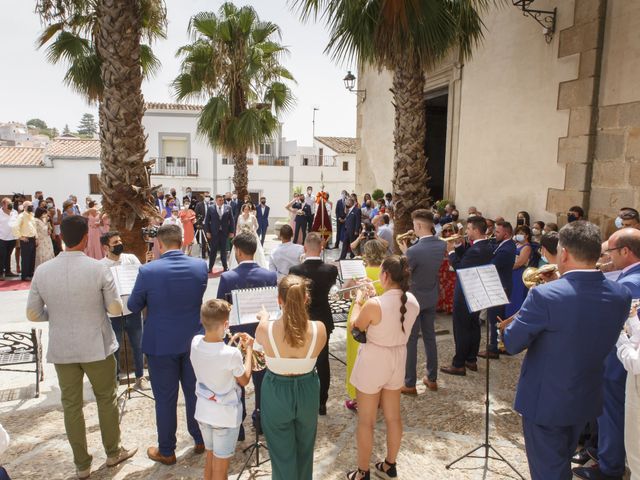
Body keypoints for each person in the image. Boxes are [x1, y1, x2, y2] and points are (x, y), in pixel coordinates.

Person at [503, 221, 632, 480]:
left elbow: (512, 342)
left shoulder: (544, 297)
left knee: (547, 471)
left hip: (545, 401)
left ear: (563, 253)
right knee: (559, 462)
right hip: (586, 397)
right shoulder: (620, 294)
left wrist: (537, 298)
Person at [26, 215, 136, 478]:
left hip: (63, 346)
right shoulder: (98, 269)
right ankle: (112, 452)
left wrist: (58, 315)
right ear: (86, 238)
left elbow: (32, 314)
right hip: (96, 344)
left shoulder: (43, 271)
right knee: (106, 400)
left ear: (61, 237)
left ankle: (82, 465)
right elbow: (113, 308)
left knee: (71, 405)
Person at [128, 225, 208, 465]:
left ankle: (167, 450)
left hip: (161, 342)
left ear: (159, 244)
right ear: (181, 242)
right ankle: (200, 438)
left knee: (165, 398)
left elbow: (133, 305)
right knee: (195, 392)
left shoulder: (148, 270)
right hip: (193, 339)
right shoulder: (199, 266)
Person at [572, 228, 640, 480]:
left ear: (625, 251)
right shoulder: (628, 277)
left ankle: (609, 467)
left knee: (612, 412)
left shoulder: (631, 283)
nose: (607, 256)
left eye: (610, 251)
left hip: (617, 361)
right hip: (618, 358)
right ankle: (601, 454)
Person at [347, 255, 419, 480]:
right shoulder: (413, 302)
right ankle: (389, 465)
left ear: (385, 276)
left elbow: (355, 327)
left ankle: (362, 472)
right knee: (393, 417)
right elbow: (390, 315)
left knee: (366, 420)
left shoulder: (374, 304)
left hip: (374, 359)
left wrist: (360, 299)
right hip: (398, 358)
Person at [255, 275, 327, 480]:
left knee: (281, 454)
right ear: (306, 298)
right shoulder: (319, 328)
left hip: (277, 391)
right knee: (305, 450)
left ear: (279, 299)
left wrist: (265, 318)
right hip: (308, 390)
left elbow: (260, 347)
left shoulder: (265, 328)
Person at [216, 232, 277, 438]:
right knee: (262, 382)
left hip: (237, 338)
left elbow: (221, 309)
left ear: (238, 252)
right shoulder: (269, 276)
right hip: (261, 337)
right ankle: (260, 421)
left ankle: (238, 427)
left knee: (236, 385)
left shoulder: (227, 277)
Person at [190, 300, 254, 480]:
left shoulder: (194, 343)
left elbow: (214, 351)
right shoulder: (231, 354)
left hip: (203, 412)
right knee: (220, 473)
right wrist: (248, 349)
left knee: (210, 459)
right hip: (224, 417)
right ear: (226, 324)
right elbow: (244, 380)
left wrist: (229, 340)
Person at [289, 233, 339, 415]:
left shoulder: (295, 270)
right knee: (323, 360)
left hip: (302, 318)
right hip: (323, 319)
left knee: (300, 358)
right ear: (322, 247)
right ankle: (321, 402)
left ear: (304, 248)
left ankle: (301, 399)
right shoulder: (330, 270)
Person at [398, 210, 446, 393]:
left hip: (414, 298)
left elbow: (405, 273)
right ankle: (432, 378)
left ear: (418, 226)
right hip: (431, 295)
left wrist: (405, 254)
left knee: (411, 340)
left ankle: (409, 383)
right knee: (429, 337)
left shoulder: (414, 250)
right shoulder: (441, 245)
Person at [440, 216, 494, 376]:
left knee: (461, 328)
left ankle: (458, 364)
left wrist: (450, 251)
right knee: (473, 326)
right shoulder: (483, 246)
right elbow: (467, 259)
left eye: (469, 229)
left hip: (466, 293)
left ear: (476, 230)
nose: (466, 231)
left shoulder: (477, 249)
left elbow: (461, 267)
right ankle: (471, 359)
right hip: (476, 291)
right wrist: (458, 246)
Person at [99, 232, 149, 391]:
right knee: (115, 348)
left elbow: (142, 278)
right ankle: (115, 380)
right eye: (115, 242)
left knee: (138, 345)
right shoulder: (100, 266)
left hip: (133, 310)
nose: (119, 243)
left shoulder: (131, 259)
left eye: (120, 240)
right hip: (113, 315)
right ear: (106, 247)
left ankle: (140, 377)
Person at [344, 240, 387, 410]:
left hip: (360, 316)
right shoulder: (386, 273)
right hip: (380, 320)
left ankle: (357, 398)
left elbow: (346, 295)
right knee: (378, 360)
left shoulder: (361, 272)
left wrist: (350, 281)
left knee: (357, 359)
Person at [478, 221, 516, 359]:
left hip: (500, 287)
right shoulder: (504, 244)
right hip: (501, 285)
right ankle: (500, 345)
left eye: (498, 232)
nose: (495, 234)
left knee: (495, 318)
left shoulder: (506, 249)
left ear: (506, 234)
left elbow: (492, 265)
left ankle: (493, 348)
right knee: (498, 318)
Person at [504, 224, 532, 318]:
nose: (519, 235)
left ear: (527, 235)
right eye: (518, 233)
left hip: (518, 274)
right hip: (511, 273)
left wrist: (505, 267)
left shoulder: (526, 247)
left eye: (521, 233)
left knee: (516, 296)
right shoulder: (516, 244)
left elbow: (520, 263)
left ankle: (514, 317)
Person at [229, 203, 267, 269]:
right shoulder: (240, 216)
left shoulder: (252, 217)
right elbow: (238, 226)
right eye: (245, 209)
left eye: (248, 209)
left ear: (249, 210)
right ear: (243, 209)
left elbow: (256, 226)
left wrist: (252, 230)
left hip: (250, 234)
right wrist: (237, 234)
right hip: (241, 234)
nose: (246, 210)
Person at [205, 195, 235, 272]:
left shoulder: (228, 208)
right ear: (216, 200)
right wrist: (207, 231)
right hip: (214, 233)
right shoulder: (211, 208)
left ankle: (225, 266)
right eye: (219, 200)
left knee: (224, 250)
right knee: (213, 251)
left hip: (224, 233)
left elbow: (231, 220)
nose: (221, 201)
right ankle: (210, 267)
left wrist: (232, 231)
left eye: (222, 200)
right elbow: (207, 221)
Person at [12, 200, 37, 281]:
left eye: (32, 206)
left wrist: (36, 238)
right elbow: (15, 227)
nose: (32, 207)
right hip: (26, 239)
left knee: (32, 258)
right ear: (25, 207)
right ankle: (25, 275)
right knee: (26, 258)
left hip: (32, 239)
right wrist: (20, 237)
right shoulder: (21, 216)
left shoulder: (32, 215)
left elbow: (34, 227)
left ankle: (30, 273)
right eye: (30, 206)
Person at [437, 223, 458, 314]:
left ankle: (450, 308)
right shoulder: (440, 242)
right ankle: (441, 306)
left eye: (450, 230)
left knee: (451, 287)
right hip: (442, 267)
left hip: (452, 266)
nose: (448, 232)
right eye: (445, 231)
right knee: (441, 287)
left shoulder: (457, 241)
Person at [0, 198, 18, 280]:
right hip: (2, 238)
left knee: (8, 255)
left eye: (11, 203)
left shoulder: (15, 212)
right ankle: (0, 273)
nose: (11, 205)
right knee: (2, 255)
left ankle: (8, 271)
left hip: (12, 238)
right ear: (3, 205)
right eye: (8, 204)